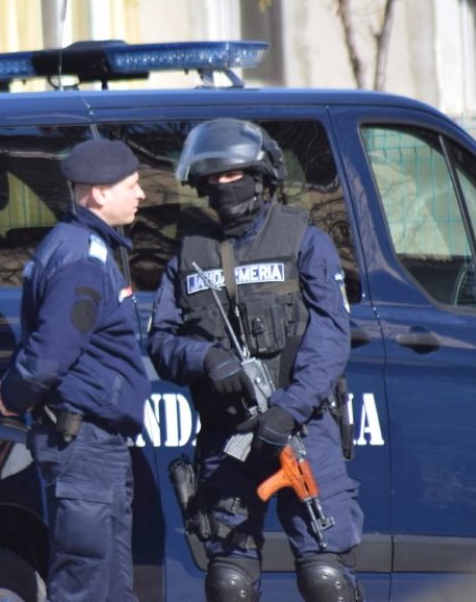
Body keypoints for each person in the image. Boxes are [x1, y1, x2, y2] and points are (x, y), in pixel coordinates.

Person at [147, 118, 364, 602]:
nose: (224, 186)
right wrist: (205, 357)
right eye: (214, 178)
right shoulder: (190, 255)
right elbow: (161, 340)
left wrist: (288, 410)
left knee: (326, 577)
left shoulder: (305, 241)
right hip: (227, 437)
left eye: (235, 175)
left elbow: (331, 338)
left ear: (262, 177)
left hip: (302, 430)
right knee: (229, 581)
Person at [0, 137, 151, 602]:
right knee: (86, 584)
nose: (141, 194)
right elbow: (50, 353)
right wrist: (12, 395)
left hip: (91, 443)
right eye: (132, 185)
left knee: (109, 585)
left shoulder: (81, 246)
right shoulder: (82, 259)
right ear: (98, 193)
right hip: (85, 445)